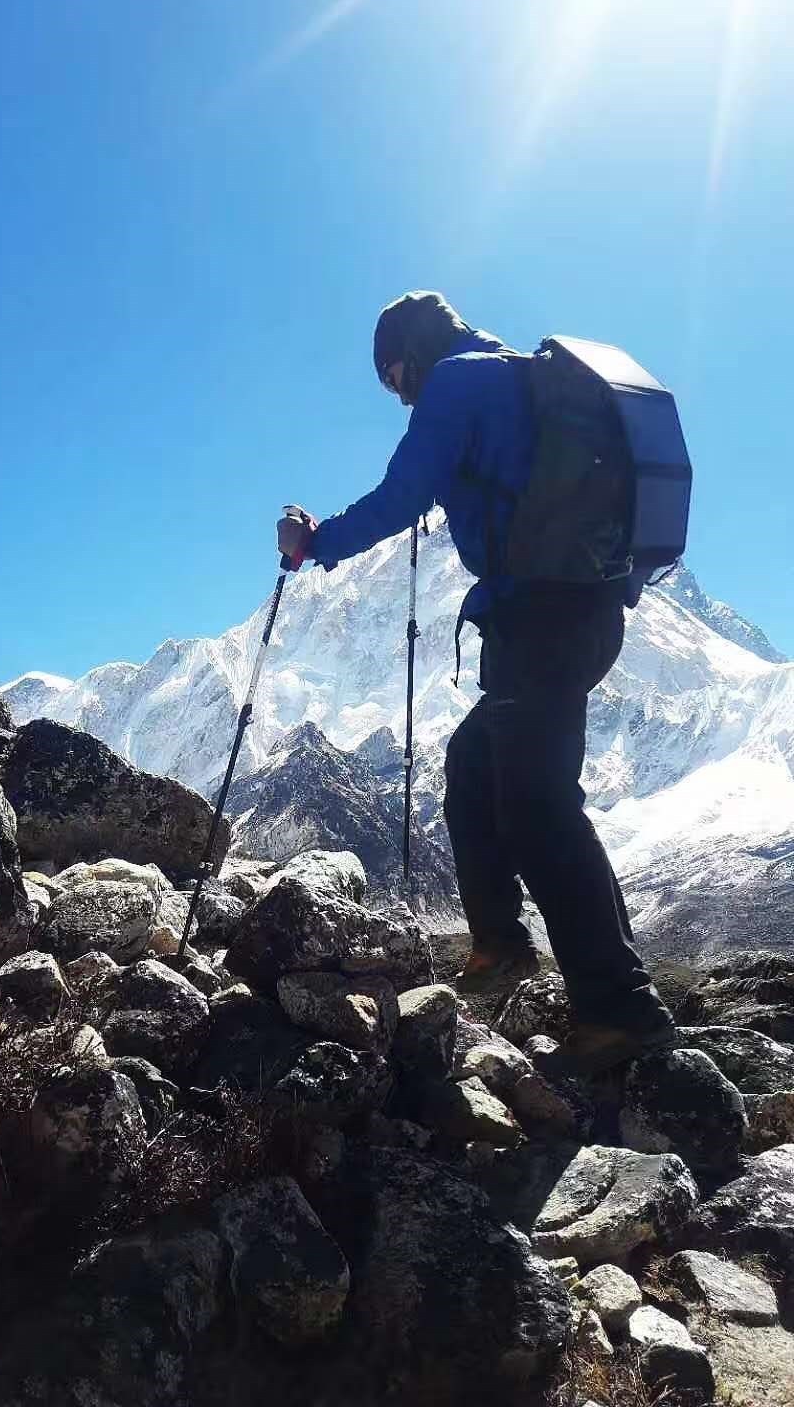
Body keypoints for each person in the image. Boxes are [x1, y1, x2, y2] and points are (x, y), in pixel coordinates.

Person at [277, 291, 675, 1071]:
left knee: (538, 809)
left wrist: (317, 542)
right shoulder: (518, 377)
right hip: (577, 613)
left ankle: (623, 1010)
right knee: (473, 765)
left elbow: (403, 493)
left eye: (394, 377)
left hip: (542, 618)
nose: (399, 395)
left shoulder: (458, 382)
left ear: (411, 355)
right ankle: (500, 943)